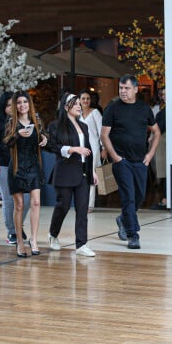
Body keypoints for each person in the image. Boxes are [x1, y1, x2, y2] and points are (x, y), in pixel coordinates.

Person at [101, 74, 161, 249]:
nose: (123, 91)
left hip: (140, 161)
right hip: (122, 161)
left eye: (126, 88)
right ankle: (132, 234)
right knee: (128, 197)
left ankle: (123, 219)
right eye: (121, 88)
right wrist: (116, 157)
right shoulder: (112, 108)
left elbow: (156, 132)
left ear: (135, 89)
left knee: (140, 196)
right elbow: (104, 135)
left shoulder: (144, 109)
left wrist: (150, 155)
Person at [46, 94, 98, 257]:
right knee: (63, 206)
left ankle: (81, 244)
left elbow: (88, 150)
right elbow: (53, 147)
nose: (79, 106)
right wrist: (72, 149)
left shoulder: (83, 126)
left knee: (83, 209)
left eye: (79, 103)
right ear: (66, 106)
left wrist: (93, 171)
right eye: (75, 103)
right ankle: (53, 235)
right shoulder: (55, 126)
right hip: (65, 172)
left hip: (83, 171)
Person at [4, 90, 48, 257]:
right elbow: (6, 142)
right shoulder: (11, 122)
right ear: (16, 105)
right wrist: (17, 135)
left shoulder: (36, 120)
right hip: (16, 167)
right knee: (20, 205)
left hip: (33, 166)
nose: (22, 105)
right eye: (19, 102)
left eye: (25, 102)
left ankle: (34, 240)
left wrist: (44, 139)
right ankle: (20, 242)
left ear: (29, 104)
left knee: (36, 202)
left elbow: (44, 136)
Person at [0, 91, 31, 245]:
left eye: (13, 104)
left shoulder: (21, 120)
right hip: (2, 164)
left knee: (27, 199)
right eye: (8, 105)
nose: (11, 107)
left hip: (21, 165)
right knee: (9, 199)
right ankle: (12, 232)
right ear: (3, 107)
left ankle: (17, 226)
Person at [79, 89, 106, 212]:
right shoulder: (76, 113)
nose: (85, 101)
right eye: (83, 98)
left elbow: (102, 131)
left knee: (91, 176)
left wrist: (104, 147)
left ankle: (89, 205)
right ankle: (81, 203)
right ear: (79, 100)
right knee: (81, 176)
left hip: (93, 148)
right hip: (80, 149)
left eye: (87, 98)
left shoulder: (95, 112)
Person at [150, 87, 168, 210]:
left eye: (166, 94)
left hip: (166, 145)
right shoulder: (163, 111)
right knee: (162, 173)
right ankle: (165, 198)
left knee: (166, 173)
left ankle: (166, 199)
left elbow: (159, 126)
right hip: (161, 144)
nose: (163, 96)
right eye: (163, 94)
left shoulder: (169, 111)